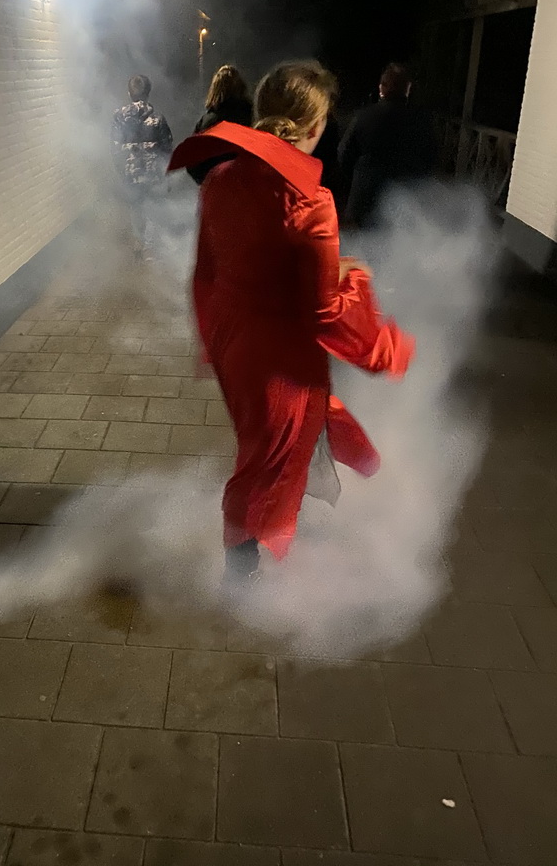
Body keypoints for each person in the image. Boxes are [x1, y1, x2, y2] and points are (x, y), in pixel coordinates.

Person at [168, 61, 415, 584]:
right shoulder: (310, 200)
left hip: (235, 340)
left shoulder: (220, 178)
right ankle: (240, 570)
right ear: (316, 127)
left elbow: (216, 263)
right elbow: (323, 311)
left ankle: (339, 493)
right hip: (280, 353)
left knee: (272, 441)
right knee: (264, 459)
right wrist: (383, 341)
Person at [339, 63, 439, 229]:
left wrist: (358, 180)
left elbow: (344, 155)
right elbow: (431, 160)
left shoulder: (364, 116)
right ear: (407, 89)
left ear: (382, 88)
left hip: (365, 202)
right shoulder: (422, 121)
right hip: (406, 204)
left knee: (360, 251)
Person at [111, 75, 173, 260]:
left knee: (135, 206)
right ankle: (149, 247)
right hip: (153, 174)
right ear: (148, 93)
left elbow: (115, 148)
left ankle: (138, 242)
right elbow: (167, 148)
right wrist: (166, 173)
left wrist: (121, 171)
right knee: (152, 207)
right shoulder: (158, 119)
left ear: (129, 93)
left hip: (130, 174)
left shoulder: (118, 118)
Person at [188, 65, 253, 186]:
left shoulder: (208, 121)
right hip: (249, 187)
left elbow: (192, 161)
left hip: (218, 189)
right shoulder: (253, 116)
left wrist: (207, 181)